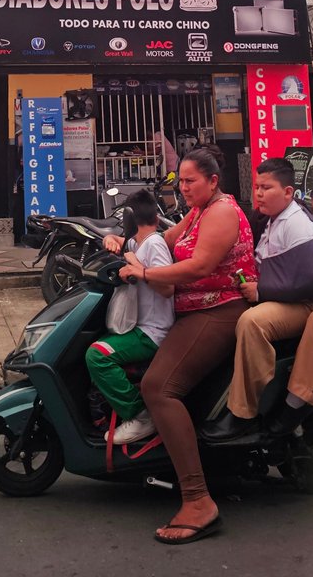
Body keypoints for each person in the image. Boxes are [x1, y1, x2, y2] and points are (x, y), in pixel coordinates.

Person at [112, 145, 256, 545]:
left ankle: (197, 500)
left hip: (219, 311)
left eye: (191, 181)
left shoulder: (223, 211)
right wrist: (120, 243)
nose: (185, 187)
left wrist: (142, 271)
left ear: (213, 181)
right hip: (193, 311)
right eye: (182, 181)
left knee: (158, 387)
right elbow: (160, 239)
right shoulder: (198, 212)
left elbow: (199, 266)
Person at [201, 156, 313, 444]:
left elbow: (312, 280)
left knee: (253, 322)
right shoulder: (273, 220)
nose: (259, 193)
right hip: (287, 299)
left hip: (306, 303)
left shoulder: (296, 224)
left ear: (288, 192)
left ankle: (243, 414)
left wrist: (261, 291)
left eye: (267, 188)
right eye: (257, 187)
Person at [85, 189, 175, 445]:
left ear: (130, 219)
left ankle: (140, 415)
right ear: (156, 217)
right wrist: (111, 239)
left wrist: (139, 269)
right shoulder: (137, 242)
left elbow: (168, 288)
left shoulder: (154, 244)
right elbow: (122, 244)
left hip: (152, 333)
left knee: (96, 356)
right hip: (138, 326)